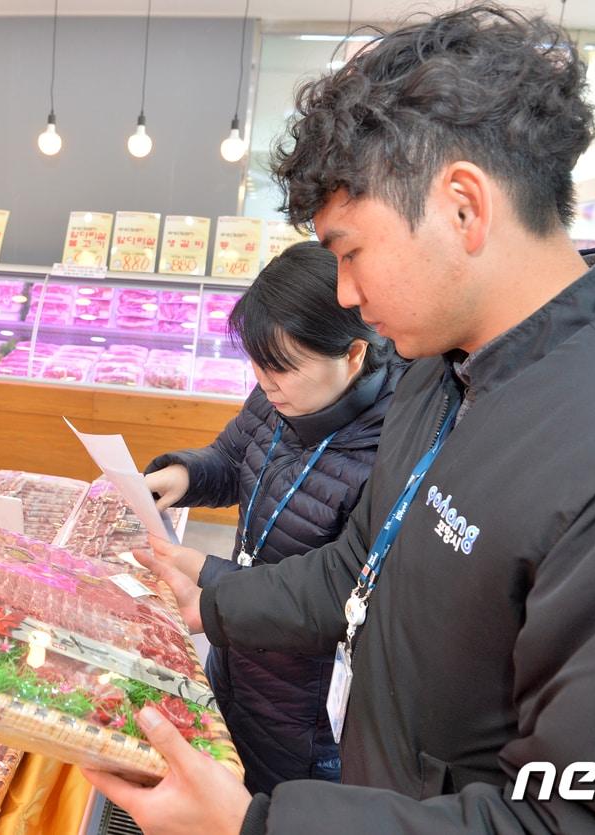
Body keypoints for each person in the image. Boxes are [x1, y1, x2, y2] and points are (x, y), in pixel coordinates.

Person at [82, 5, 595, 833]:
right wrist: (209, 593)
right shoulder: (439, 366)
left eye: (351, 250)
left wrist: (260, 827)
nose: (345, 295)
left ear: (462, 206)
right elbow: (361, 567)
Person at [142, 241, 402, 794]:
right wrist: (184, 476)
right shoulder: (276, 398)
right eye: (257, 362)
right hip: (234, 653)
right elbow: (234, 457)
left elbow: (344, 597)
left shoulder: (390, 452)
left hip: (303, 703)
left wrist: (210, 578)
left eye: (282, 366)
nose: (265, 380)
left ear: (354, 355)